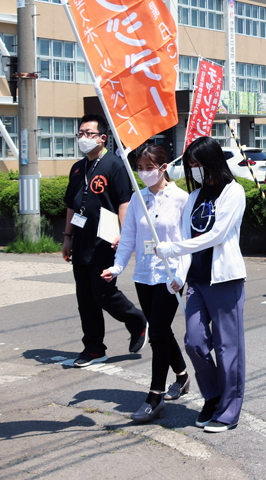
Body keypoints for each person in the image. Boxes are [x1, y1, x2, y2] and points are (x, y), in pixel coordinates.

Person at [155, 136, 247, 433]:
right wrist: (179, 275)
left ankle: (230, 409)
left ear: (212, 162)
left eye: (197, 164)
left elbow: (217, 235)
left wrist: (175, 248)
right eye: (190, 165)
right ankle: (213, 396)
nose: (193, 170)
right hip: (196, 280)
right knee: (194, 341)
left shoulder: (234, 193)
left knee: (227, 348)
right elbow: (188, 242)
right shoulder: (195, 198)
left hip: (225, 280)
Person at [103, 143, 191, 423]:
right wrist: (117, 267)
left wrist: (180, 276)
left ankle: (155, 396)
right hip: (144, 275)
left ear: (164, 168)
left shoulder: (181, 199)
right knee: (160, 329)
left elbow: (188, 243)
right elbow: (128, 236)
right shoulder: (137, 199)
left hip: (171, 276)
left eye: (149, 168)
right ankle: (182, 375)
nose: (143, 173)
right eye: (139, 168)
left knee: (157, 333)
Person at [63, 114, 147, 368]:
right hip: (81, 241)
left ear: (103, 138)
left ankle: (136, 320)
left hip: (105, 241)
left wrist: (124, 235)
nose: (83, 138)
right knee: (85, 298)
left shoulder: (115, 164)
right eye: (80, 134)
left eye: (89, 133)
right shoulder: (78, 168)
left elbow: (124, 202)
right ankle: (94, 348)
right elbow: (71, 206)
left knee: (103, 293)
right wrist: (67, 237)